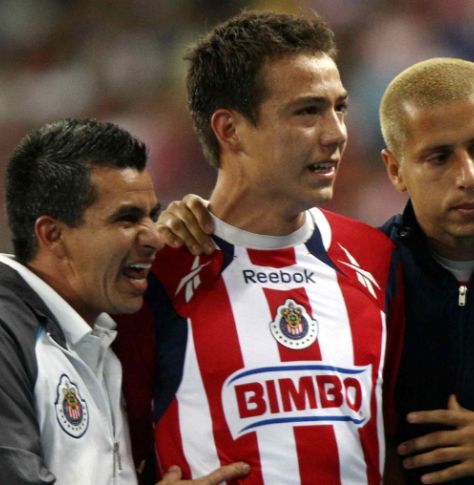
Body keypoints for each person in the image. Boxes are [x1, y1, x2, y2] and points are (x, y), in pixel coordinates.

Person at [156, 57, 474, 484]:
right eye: (439, 157)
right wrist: (199, 220)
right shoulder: (361, 269)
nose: (469, 175)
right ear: (395, 170)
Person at [112, 11, 404, 485]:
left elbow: (399, 442)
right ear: (229, 130)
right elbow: (92, 446)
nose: (336, 133)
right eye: (308, 111)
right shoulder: (154, 272)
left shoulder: (376, 258)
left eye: (340, 107)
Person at [0, 119, 250, 485]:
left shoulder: (96, 336)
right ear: (53, 235)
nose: (154, 238)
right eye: (127, 219)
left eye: (153, 215)